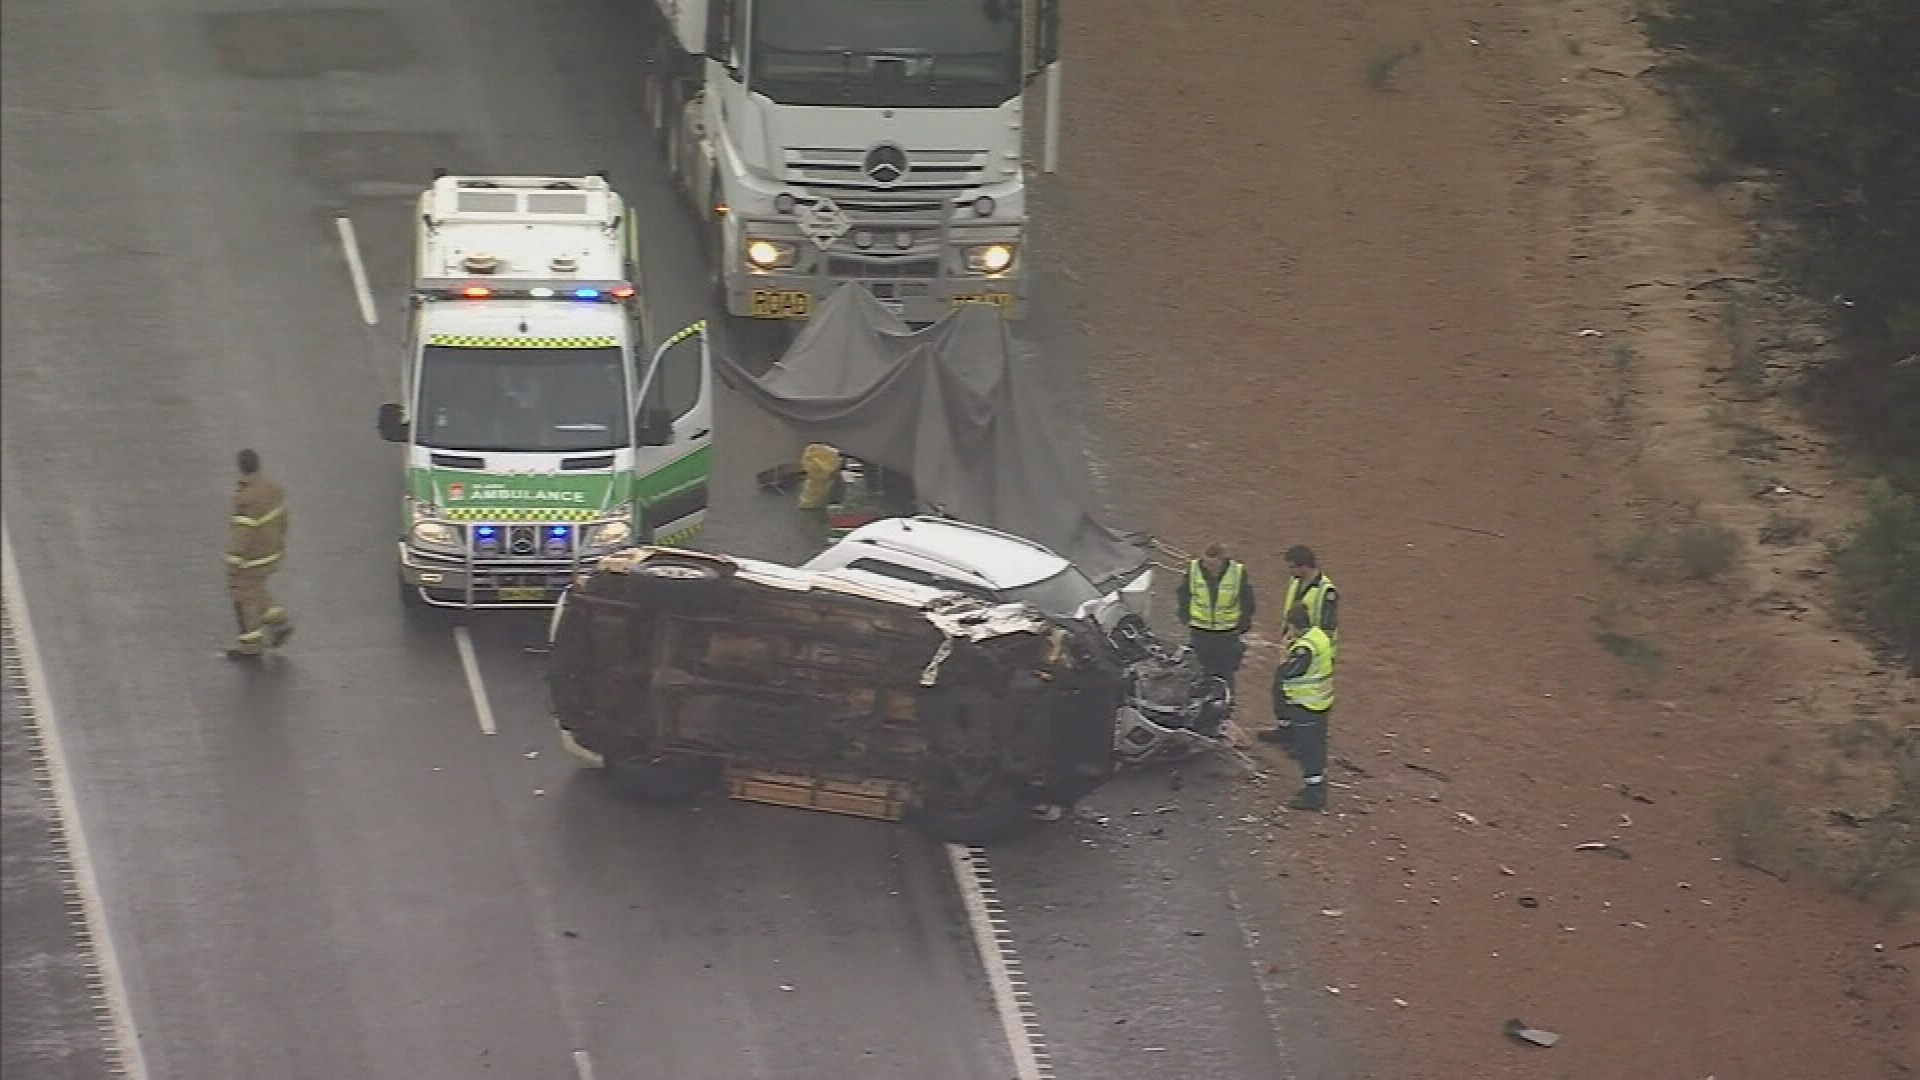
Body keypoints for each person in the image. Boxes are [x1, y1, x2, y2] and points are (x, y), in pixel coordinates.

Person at [1258, 604, 1336, 811]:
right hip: (1320, 702)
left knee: (1309, 751)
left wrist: (1284, 654)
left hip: (1308, 705)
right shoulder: (1319, 636)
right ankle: (1316, 787)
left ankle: (1314, 794)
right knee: (1315, 747)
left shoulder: (1304, 648)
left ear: (1295, 625)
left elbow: (1289, 671)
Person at [225, 449, 293, 661]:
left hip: (252, 558)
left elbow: (242, 534)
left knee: (243, 596)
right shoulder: (273, 490)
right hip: (272, 551)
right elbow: (283, 520)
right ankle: (278, 622)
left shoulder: (246, 498)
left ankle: (250, 644)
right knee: (255, 589)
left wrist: (233, 562)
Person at [1175, 544, 1255, 684]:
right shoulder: (1194, 569)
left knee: (1225, 673)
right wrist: (1184, 615)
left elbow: (1247, 598)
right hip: (1200, 631)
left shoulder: (1237, 572)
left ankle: (1226, 701)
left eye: (1212, 565)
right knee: (1199, 672)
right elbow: (1183, 593)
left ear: (1222, 561)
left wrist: (1244, 620)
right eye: (1205, 563)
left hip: (1227, 633)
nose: (1207, 567)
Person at [1279, 544, 1339, 655]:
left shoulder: (1327, 591)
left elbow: (1327, 628)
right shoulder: (1295, 581)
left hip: (1314, 651)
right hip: (1294, 644)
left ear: (1304, 566)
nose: (1290, 571)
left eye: (1292, 567)